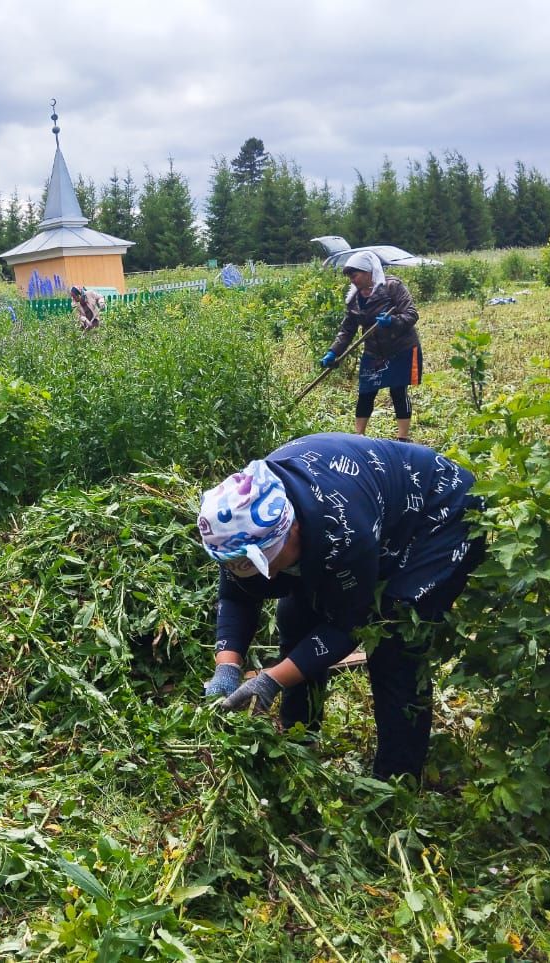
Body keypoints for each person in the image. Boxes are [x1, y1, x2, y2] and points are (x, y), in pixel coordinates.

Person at [195, 433, 484, 780]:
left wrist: (271, 679)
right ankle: (300, 741)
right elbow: (237, 594)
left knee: (393, 641)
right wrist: (227, 667)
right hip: (369, 512)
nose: (266, 574)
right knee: (296, 616)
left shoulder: (341, 530)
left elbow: (350, 625)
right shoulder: (236, 522)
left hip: (438, 512)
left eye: (268, 561)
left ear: (294, 528)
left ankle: (396, 781)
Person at [319, 251, 421, 442]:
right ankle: (359, 437)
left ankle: (403, 438)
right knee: (366, 391)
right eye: (349, 276)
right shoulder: (354, 300)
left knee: (398, 391)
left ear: (368, 272)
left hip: (400, 348)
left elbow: (411, 314)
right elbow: (347, 330)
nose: (352, 279)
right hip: (374, 351)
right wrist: (333, 352)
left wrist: (392, 320)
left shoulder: (392, 287)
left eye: (354, 274)